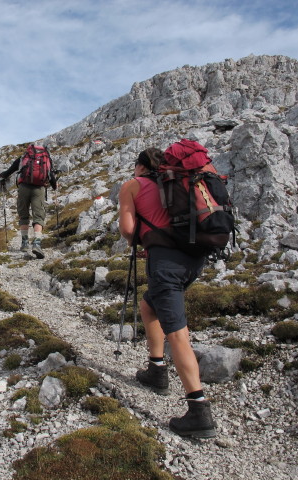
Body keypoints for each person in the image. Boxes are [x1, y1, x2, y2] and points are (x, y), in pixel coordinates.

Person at [118, 146, 216, 438]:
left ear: (139, 166)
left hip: (166, 266)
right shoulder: (177, 183)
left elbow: (127, 229)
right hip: (194, 260)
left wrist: (143, 235)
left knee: (177, 330)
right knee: (150, 305)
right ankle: (156, 369)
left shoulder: (132, 186)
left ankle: (199, 410)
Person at [0, 143, 57, 259]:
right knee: (38, 216)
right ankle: (37, 243)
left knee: (23, 215)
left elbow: (8, 172)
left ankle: (25, 243)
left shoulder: (23, 157)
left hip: (24, 188)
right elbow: (50, 175)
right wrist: (54, 186)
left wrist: (3, 176)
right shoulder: (46, 158)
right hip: (39, 189)